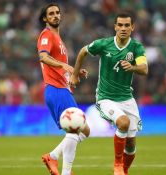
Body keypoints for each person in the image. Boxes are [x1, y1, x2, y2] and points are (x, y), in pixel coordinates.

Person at [70, 12, 148, 175]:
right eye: (120, 25)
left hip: (127, 99)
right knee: (123, 123)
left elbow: (144, 68)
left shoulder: (136, 47)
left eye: (127, 25)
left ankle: (123, 171)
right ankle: (118, 165)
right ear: (115, 27)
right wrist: (74, 75)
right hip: (106, 98)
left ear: (132, 27)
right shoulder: (104, 44)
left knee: (131, 145)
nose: (123, 28)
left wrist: (132, 67)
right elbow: (83, 51)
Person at [37, 3, 90, 175]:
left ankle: (53, 156)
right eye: (51, 13)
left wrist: (74, 71)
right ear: (45, 18)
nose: (55, 16)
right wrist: (65, 65)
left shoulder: (58, 39)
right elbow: (43, 57)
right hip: (56, 89)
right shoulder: (46, 35)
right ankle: (66, 172)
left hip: (63, 89)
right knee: (75, 129)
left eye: (57, 13)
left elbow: (61, 68)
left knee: (85, 130)